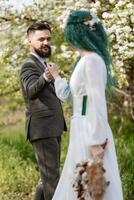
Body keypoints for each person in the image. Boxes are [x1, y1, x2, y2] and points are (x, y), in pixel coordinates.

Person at [47, 10, 123, 199]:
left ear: (77, 33)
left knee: (92, 185)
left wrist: (96, 140)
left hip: (89, 130)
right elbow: (72, 97)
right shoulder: (83, 61)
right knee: (80, 184)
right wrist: (56, 77)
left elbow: (96, 102)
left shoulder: (92, 61)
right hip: (81, 128)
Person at [19, 22, 67, 200]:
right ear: (29, 41)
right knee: (52, 180)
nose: (46, 42)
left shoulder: (42, 63)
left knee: (46, 179)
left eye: (48, 38)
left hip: (52, 128)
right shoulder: (28, 65)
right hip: (43, 129)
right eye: (41, 39)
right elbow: (30, 90)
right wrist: (47, 76)